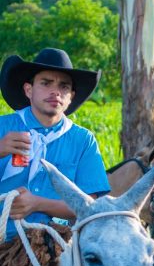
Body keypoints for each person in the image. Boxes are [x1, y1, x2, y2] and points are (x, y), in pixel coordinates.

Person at [0, 48, 110, 240]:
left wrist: (37, 204)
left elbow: (88, 205)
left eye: (64, 86)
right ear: (29, 90)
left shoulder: (83, 140)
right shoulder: (3, 127)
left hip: (55, 242)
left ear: (71, 97)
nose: (56, 92)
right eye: (46, 83)